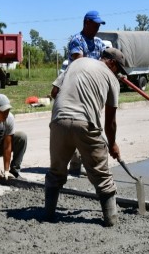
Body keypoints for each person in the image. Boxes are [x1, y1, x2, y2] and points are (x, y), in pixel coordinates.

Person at [44, 47, 128, 227]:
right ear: (111, 63)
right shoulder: (112, 80)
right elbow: (110, 121)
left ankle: (48, 214)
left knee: (56, 171)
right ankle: (111, 219)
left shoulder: (77, 63)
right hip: (85, 124)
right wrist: (112, 144)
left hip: (59, 121)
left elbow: (54, 92)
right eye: (118, 70)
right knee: (101, 174)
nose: (118, 74)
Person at [50, 10, 108, 175]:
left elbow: (105, 59)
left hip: (92, 89)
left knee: (88, 125)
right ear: (86, 23)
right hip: (76, 86)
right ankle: (73, 165)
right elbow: (79, 62)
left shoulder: (98, 42)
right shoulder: (77, 40)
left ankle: (84, 165)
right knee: (77, 123)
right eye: (95, 24)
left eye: (99, 25)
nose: (97, 27)